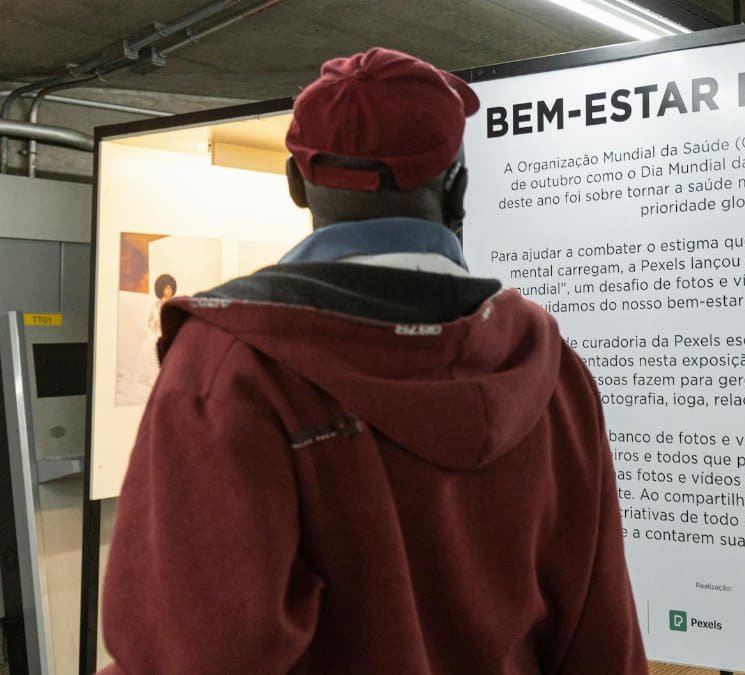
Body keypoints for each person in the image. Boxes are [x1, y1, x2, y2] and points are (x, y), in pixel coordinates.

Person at [100, 48, 646, 674]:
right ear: (458, 183)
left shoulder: (231, 368)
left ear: (295, 184)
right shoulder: (548, 369)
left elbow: (193, 651)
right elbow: (599, 628)